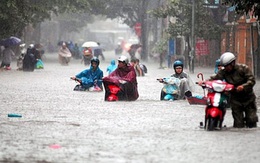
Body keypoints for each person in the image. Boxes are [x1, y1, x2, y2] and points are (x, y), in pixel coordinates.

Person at [199, 52, 258, 128]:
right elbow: (215, 77)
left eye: (227, 66)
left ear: (233, 63)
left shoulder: (243, 68)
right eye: (225, 66)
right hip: (235, 99)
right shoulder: (224, 72)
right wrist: (205, 82)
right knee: (238, 124)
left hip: (248, 98)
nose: (226, 68)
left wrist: (243, 86)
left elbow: (252, 80)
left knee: (251, 120)